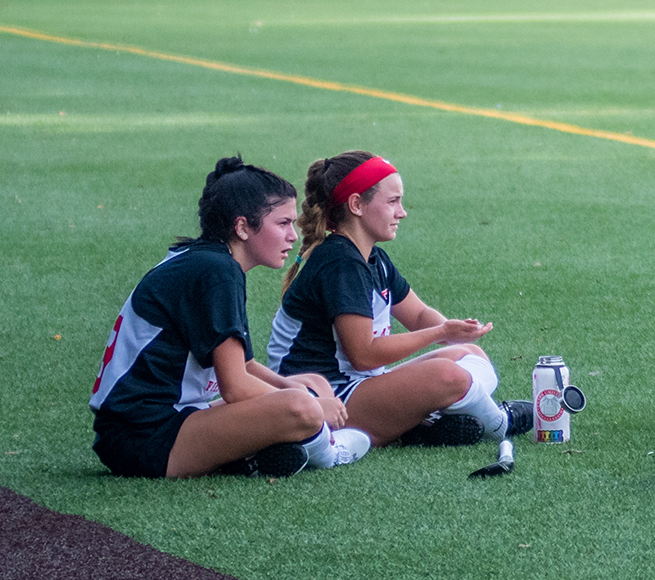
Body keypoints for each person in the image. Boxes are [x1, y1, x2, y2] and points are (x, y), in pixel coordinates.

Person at [89, 156, 372, 479]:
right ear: (241, 227)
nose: (293, 235)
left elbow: (244, 365)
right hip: (145, 438)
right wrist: (311, 406)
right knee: (301, 406)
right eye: (282, 223)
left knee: (311, 383)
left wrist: (289, 384)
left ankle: (253, 458)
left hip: (159, 424)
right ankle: (328, 449)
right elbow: (235, 388)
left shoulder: (207, 261)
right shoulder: (217, 271)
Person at [270, 151, 531, 447]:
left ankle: (421, 422)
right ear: (356, 204)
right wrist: (440, 333)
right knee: (447, 376)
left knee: (468, 355)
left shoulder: (372, 257)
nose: (402, 212)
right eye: (393, 201)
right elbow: (364, 354)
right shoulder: (340, 261)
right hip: (324, 398)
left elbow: (418, 315)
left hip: (358, 385)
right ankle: (498, 423)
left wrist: (454, 331)